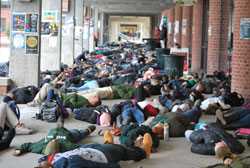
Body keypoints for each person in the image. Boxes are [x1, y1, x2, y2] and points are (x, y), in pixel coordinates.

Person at [36, 132, 153, 168]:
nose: (39, 164)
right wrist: (114, 167)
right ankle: (143, 152)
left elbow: (48, 156)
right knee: (121, 150)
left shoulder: (50, 160)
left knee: (95, 144)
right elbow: (94, 166)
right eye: (41, 166)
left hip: (87, 150)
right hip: (103, 156)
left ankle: (108, 143)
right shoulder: (71, 165)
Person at [13, 118, 96, 156]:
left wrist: (19, 150)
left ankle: (59, 125)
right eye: (55, 143)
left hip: (53, 131)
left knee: (57, 127)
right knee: (78, 133)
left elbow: (27, 145)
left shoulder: (40, 146)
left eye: (51, 142)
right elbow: (83, 147)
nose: (54, 141)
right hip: (68, 134)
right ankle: (86, 131)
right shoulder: (67, 146)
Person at [27, 83, 101, 109]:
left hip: (61, 98)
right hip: (63, 96)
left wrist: (73, 95)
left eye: (94, 98)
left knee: (47, 86)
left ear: (93, 102)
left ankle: (36, 101)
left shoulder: (85, 103)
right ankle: (38, 100)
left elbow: (74, 104)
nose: (92, 96)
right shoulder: (85, 101)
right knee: (47, 88)